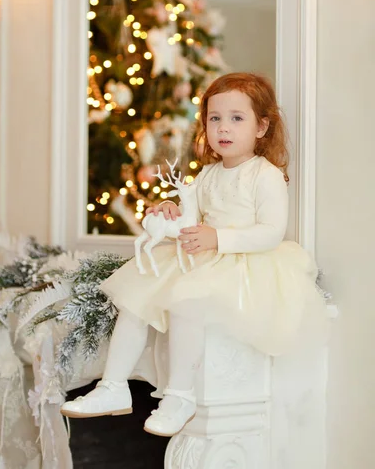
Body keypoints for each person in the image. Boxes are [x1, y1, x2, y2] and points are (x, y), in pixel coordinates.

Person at [60, 72, 327, 436]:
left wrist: (218, 237)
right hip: (202, 255)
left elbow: (270, 232)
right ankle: (113, 386)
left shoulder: (264, 175)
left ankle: (179, 395)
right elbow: (192, 210)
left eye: (237, 118)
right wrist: (169, 205)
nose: (223, 128)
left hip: (243, 263)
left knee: (187, 301)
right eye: (215, 118)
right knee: (137, 297)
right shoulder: (208, 174)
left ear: (262, 127)